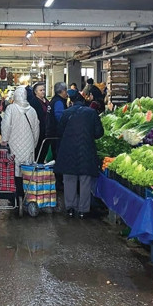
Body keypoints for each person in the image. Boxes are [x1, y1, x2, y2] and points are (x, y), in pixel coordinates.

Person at [55, 90, 104, 219]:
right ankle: (83, 210)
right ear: (84, 101)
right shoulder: (92, 113)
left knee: (69, 179)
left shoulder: (66, 113)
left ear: (71, 101)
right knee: (85, 180)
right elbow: (99, 133)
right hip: (86, 149)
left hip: (68, 149)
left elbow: (59, 131)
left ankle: (70, 208)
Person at [1, 86, 40, 196]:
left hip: (14, 144)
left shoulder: (11, 109)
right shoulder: (32, 110)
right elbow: (36, 129)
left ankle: (16, 195)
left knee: (15, 169)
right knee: (27, 170)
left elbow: (6, 125)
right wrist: (34, 144)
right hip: (29, 145)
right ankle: (27, 195)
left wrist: (4, 140)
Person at [28, 82, 52, 158]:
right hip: (38, 130)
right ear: (35, 92)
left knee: (44, 150)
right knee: (38, 151)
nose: (43, 92)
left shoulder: (47, 101)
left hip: (47, 129)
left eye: (44, 90)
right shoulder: (33, 102)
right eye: (40, 90)